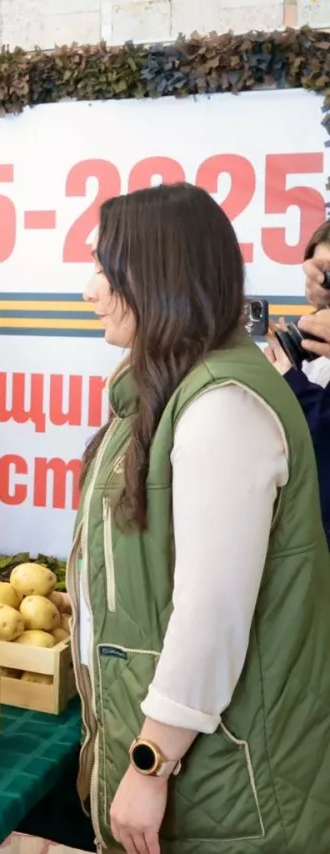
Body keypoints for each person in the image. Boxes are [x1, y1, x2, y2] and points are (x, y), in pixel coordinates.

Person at [74, 182, 330, 852]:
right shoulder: (174, 389)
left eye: (103, 268)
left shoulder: (222, 406)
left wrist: (150, 762)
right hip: (205, 758)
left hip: (228, 770)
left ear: (155, 276)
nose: (89, 289)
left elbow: (212, 612)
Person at [264, 220, 330, 542]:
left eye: (327, 274)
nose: (321, 283)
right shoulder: (315, 346)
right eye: (319, 274)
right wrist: (290, 366)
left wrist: (293, 384)